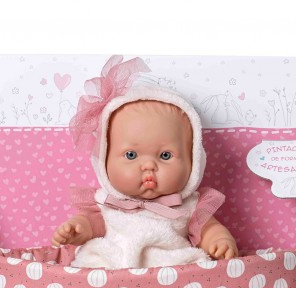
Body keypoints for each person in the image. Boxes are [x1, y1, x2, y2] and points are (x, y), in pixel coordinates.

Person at [51, 55, 238, 269]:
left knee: (195, 267)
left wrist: (219, 240)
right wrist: (78, 228)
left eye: (165, 156)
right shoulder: (107, 203)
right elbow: (92, 225)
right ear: (105, 160)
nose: (149, 166)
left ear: (193, 162)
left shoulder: (189, 206)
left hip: (170, 270)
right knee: (91, 261)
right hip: (110, 268)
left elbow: (207, 229)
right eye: (131, 155)